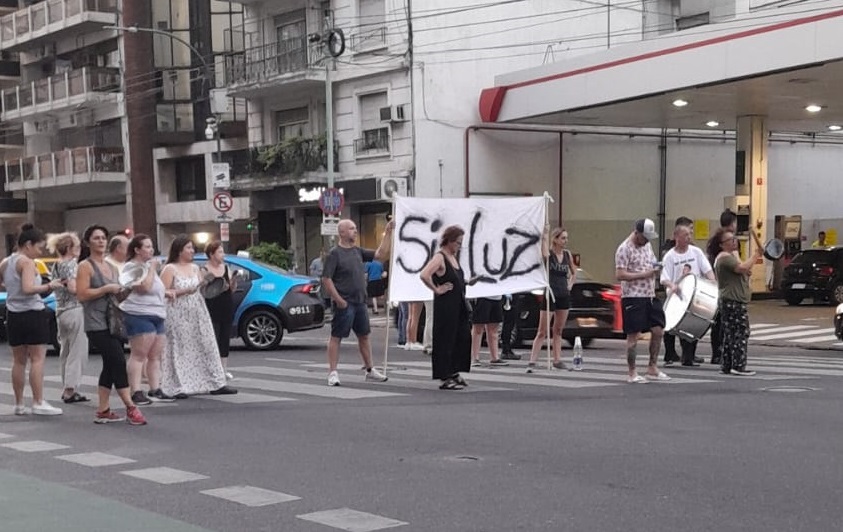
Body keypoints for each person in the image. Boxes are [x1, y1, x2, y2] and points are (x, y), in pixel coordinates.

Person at [76, 225, 146, 425]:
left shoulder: (114, 268)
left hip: (113, 320)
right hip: (95, 322)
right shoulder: (85, 266)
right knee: (117, 360)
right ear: (88, 242)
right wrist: (105, 288)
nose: (101, 241)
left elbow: (118, 295)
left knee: (109, 364)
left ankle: (103, 410)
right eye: (96, 238)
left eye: (103, 238)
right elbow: (81, 294)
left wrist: (128, 288)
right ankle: (131, 406)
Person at [160, 236, 237, 397]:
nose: (192, 251)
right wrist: (182, 292)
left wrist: (213, 285)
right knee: (180, 348)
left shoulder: (195, 268)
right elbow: (162, 292)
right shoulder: (169, 269)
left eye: (192, 248)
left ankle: (216, 382)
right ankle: (178, 386)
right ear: (179, 250)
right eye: (188, 248)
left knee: (207, 344)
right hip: (178, 312)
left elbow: (203, 290)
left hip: (197, 309)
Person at [0, 223, 64, 416]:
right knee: (37, 359)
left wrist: (12, 288)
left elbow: (4, 283)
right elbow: (28, 288)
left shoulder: (6, 262)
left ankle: (19, 403)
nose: (40, 251)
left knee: (19, 361)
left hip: (14, 313)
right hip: (32, 312)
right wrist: (49, 286)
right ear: (28, 244)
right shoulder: (27, 262)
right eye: (38, 247)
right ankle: (38, 401)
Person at [322, 219, 393, 386]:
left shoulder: (357, 251)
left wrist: (388, 233)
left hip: (360, 301)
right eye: (351, 229)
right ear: (342, 233)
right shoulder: (335, 254)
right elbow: (326, 279)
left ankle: (369, 369)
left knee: (364, 336)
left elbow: (381, 254)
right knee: (336, 336)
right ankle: (332, 372)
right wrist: (339, 300)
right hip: (345, 302)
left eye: (355, 228)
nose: (355, 231)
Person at [615, 218, 671, 384]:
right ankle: (632, 372)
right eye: (644, 237)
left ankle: (652, 366)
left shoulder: (647, 245)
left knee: (658, 329)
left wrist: (657, 266)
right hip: (633, 296)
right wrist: (644, 274)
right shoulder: (624, 249)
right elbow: (620, 274)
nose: (646, 240)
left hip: (649, 294)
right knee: (634, 335)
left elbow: (651, 262)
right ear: (636, 232)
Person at [419, 225, 474, 390]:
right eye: (457, 242)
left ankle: (454, 370)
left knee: (462, 337)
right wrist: (437, 289)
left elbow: (454, 278)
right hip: (446, 306)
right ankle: (444, 375)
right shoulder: (440, 257)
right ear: (449, 241)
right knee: (446, 339)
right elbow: (424, 274)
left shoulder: (453, 257)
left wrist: (467, 282)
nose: (459, 246)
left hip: (459, 304)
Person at [119, 234, 171, 405]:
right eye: (147, 247)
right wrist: (151, 268)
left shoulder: (148, 266)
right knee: (139, 354)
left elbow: (157, 288)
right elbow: (144, 287)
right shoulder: (132, 267)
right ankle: (135, 391)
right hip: (138, 313)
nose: (151, 250)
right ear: (137, 250)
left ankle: (155, 388)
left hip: (157, 312)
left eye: (151, 246)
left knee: (155, 354)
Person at [707, 228, 761, 376]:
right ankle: (738, 365)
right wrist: (756, 255)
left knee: (730, 333)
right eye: (730, 240)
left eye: (734, 239)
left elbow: (742, 269)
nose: (734, 241)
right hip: (733, 300)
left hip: (728, 299)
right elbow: (741, 267)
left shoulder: (726, 257)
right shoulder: (725, 257)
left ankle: (727, 364)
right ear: (722, 244)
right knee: (741, 332)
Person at [660, 222, 715, 367]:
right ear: (676, 236)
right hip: (675, 296)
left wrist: (712, 281)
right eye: (685, 235)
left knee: (694, 323)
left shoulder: (696, 252)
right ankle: (670, 353)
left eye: (689, 235)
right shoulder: (670, 256)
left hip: (694, 293)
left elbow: (707, 269)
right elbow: (664, 278)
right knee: (672, 325)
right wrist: (673, 286)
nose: (689, 237)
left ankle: (688, 356)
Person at [47, 232, 90, 404]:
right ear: (69, 249)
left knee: (65, 349)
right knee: (77, 350)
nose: (79, 250)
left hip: (61, 309)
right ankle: (70, 389)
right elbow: (73, 287)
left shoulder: (56, 266)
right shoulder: (72, 265)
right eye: (77, 246)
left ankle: (66, 385)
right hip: (75, 308)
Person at [527, 227, 576, 372]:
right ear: (555, 240)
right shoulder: (550, 256)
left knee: (558, 329)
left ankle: (557, 359)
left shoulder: (567, 255)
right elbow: (543, 253)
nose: (565, 241)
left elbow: (573, 272)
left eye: (566, 238)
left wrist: (570, 285)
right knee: (542, 330)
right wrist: (544, 236)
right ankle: (532, 361)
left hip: (563, 295)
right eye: (563, 238)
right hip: (550, 294)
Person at [201, 240, 237, 380]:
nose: (223, 254)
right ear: (211, 254)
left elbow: (231, 289)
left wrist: (233, 281)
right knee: (213, 337)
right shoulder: (204, 269)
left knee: (224, 337)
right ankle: (212, 368)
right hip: (212, 306)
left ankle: (223, 369)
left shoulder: (226, 267)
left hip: (226, 304)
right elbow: (203, 290)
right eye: (220, 252)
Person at [707, 209, 737, 365]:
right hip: (724, 285)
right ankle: (720, 352)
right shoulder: (726, 242)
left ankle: (718, 352)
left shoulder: (716, 239)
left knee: (719, 321)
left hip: (718, 284)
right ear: (732, 223)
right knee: (722, 322)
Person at [470, 296, 508, 367]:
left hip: (496, 297)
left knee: (494, 329)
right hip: (482, 296)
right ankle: (475, 357)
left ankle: (494, 357)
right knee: (478, 328)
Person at [499, 294, 522, 360]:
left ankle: (507, 349)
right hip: (508, 298)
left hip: (512, 296)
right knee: (508, 324)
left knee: (510, 324)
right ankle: (505, 350)